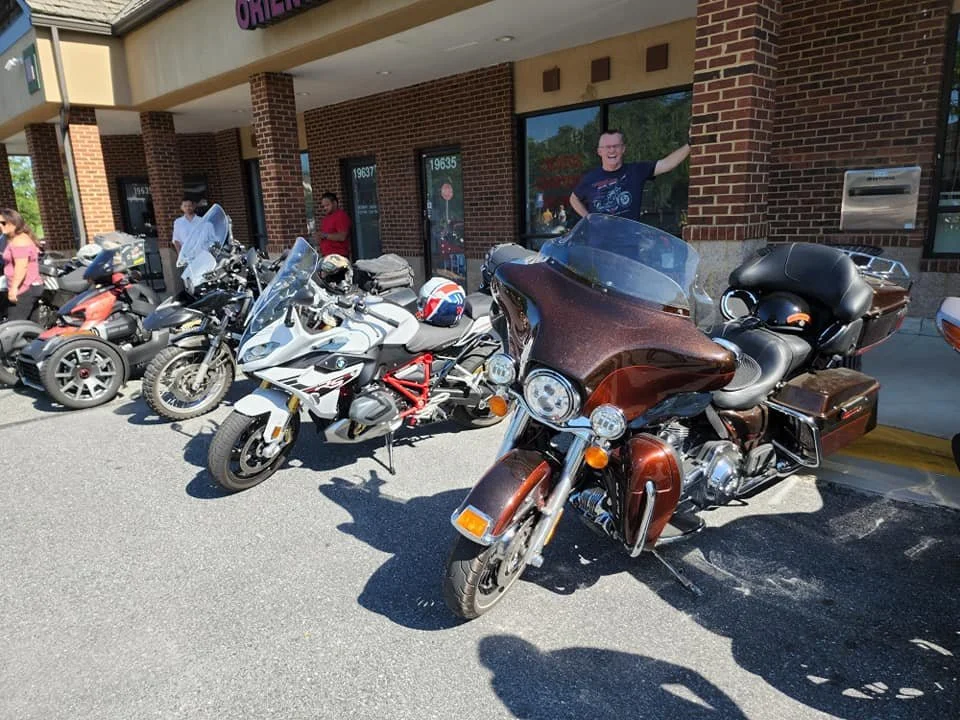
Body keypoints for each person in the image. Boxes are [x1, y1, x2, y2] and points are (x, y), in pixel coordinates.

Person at [569, 129, 690, 221]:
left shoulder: (636, 170)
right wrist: (587, 218)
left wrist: (690, 144)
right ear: (599, 151)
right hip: (599, 244)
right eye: (607, 147)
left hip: (629, 243)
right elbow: (574, 198)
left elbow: (666, 164)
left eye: (616, 146)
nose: (612, 150)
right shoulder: (590, 178)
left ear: (623, 149)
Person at [1, 208, 43, 322]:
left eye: (3, 223)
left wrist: (14, 289)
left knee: (15, 326)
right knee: (31, 324)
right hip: (28, 287)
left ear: (14, 223)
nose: (1, 226)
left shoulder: (20, 241)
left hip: (24, 288)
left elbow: (21, 267)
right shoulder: (14, 239)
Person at [317, 192, 352, 258]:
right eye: (323, 206)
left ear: (335, 203)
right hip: (326, 256)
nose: (325, 208)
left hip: (338, 256)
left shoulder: (340, 215)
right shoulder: (325, 218)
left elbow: (342, 236)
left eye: (327, 205)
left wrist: (325, 235)